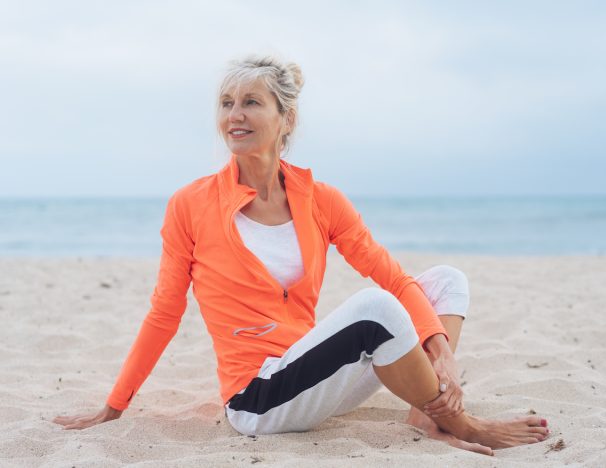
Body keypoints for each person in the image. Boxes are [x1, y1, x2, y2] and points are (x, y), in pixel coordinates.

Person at [53, 55, 550, 456]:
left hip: (313, 372)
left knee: (444, 280)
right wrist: (114, 406)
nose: (234, 115)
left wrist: (439, 349)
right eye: (226, 103)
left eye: (251, 102)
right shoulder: (191, 204)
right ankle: (458, 422)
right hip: (259, 400)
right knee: (376, 311)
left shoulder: (320, 199)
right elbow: (164, 312)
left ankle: (426, 410)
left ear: (286, 118)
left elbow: (396, 279)